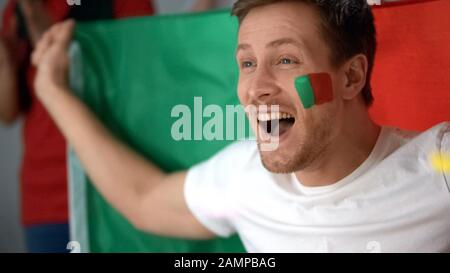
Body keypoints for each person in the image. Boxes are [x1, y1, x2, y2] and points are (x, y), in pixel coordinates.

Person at [31, 0, 450, 252]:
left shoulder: (438, 169)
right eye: (247, 63)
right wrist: (53, 92)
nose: (256, 88)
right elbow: (142, 199)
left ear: (351, 78)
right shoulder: (242, 178)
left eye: (286, 60)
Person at [0, 0, 154, 253]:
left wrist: (43, 30)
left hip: (110, 190)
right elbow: (8, 114)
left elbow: (138, 85)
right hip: (43, 197)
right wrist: (5, 63)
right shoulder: (14, 11)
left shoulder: (127, 3)